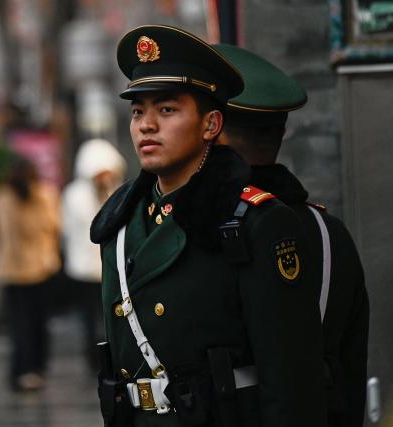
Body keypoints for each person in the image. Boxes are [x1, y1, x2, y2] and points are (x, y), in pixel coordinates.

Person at [91, 25, 327, 426]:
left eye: (167, 110)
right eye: (137, 111)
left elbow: (291, 383)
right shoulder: (119, 225)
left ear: (211, 125)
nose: (146, 125)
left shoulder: (257, 222)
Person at [214, 43, 369, 427]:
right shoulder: (329, 233)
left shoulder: (210, 232)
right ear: (281, 132)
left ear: (211, 129)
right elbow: (350, 373)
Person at [0, 156, 61, 392]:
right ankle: (34, 368)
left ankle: (23, 370)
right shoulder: (43, 194)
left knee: (20, 325)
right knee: (36, 323)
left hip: (14, 270)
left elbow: (4, 232)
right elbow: (52, 226)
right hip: (39, 267)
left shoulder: (3, 196)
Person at [61, 138, 126, 372]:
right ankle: (94, 359)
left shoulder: (118, 190)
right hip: (86, 269)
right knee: (90, 318)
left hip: (112, 267)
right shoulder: (75, 195)